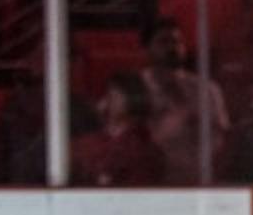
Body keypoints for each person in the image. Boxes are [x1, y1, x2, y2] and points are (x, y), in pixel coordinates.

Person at [139, 21, 230, 185]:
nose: (172, 48)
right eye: (164, 42)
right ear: (147, 48)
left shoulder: (206, 89)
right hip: (152, 181)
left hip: (197, 179)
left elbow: (221, 134)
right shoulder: (135, 88)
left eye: (177, 41)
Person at [74, 71, 167, 187]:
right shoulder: (87, 142)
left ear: (133, 99)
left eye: (118, 95)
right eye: (109, 94)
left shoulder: (142, 148)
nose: (110, 99)